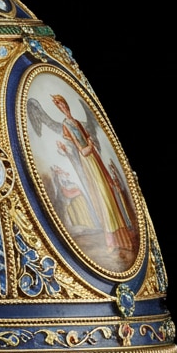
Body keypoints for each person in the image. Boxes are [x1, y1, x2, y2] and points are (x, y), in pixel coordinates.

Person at [51, 94, 136, 262]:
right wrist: (88, 145)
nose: (63, 108)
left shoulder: (76, 122)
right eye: (59, 106)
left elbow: (89, 142)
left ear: (67, 105)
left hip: (95, 159)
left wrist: (91, 145)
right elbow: (81, 149)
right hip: (88, 161)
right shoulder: (66, 125)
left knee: (109, 195)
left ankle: (122, 239)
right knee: (102, 196)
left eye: (63, 104)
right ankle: (111, 241)